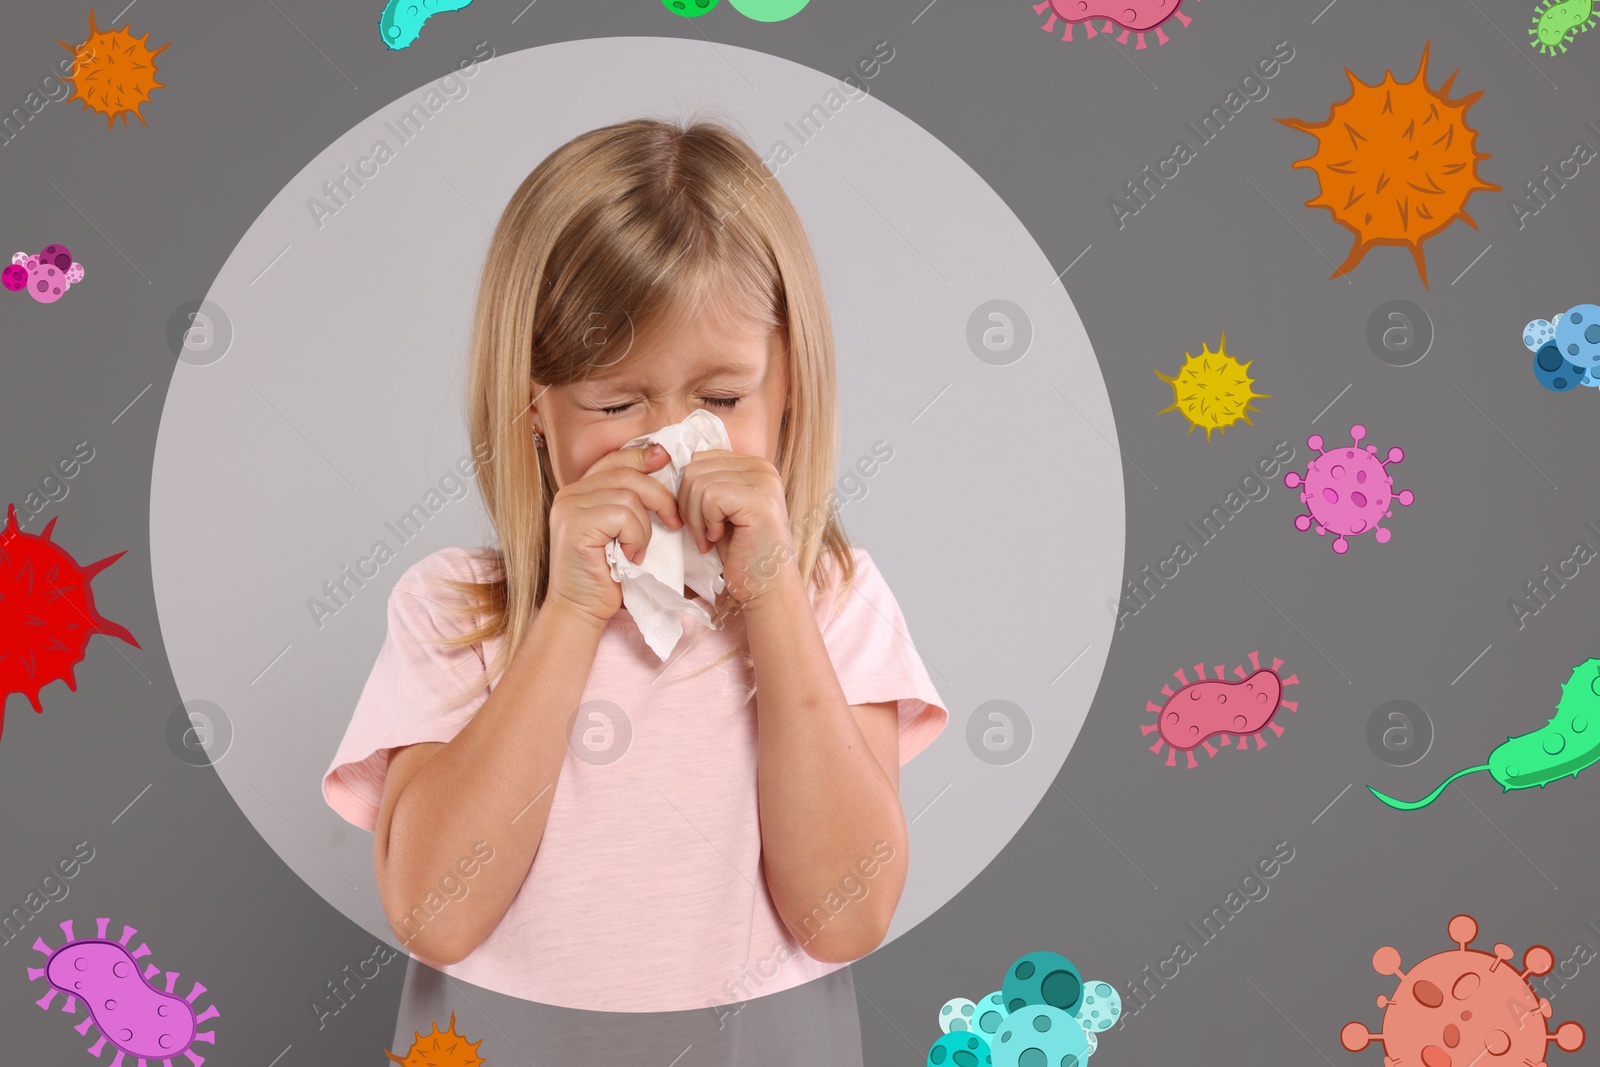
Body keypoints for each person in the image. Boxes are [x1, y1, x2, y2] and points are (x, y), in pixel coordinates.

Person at [323, 115, 947, 1013]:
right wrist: (570, 612)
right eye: (616, 401)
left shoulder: (836, 602)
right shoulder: (455, 610)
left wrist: (770, 594)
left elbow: (842, 917)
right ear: (535, 407)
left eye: (723, 398)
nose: (671, 442)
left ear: (789, 391)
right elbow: (434, 914)